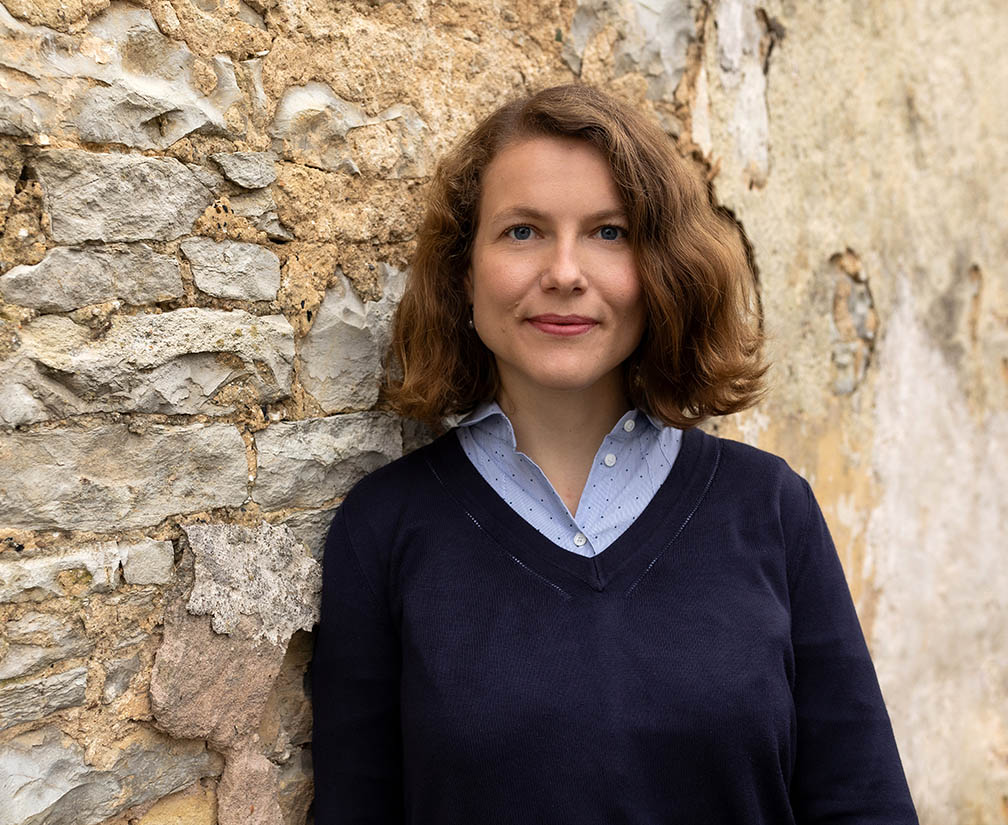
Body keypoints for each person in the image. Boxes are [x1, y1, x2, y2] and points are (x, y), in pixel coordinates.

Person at [309, 83, 918, 824]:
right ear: (465, 272)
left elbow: (864, 804)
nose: (565, 272)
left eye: (608, 233)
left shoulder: (770, 509)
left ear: (662, 269)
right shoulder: (384, 531)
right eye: (523, 232)